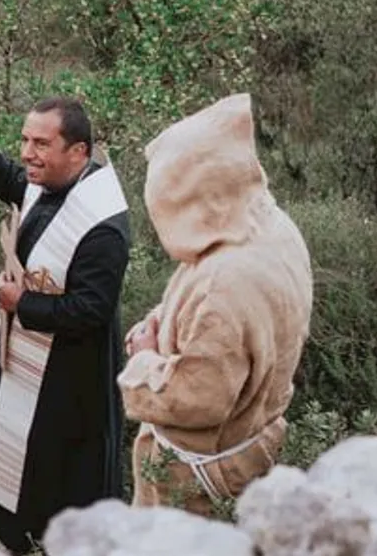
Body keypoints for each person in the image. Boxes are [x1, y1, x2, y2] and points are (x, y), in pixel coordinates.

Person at [0, 98, 132, 556]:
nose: (28, 153)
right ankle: (11, 535)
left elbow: (91, 310)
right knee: (21, 450)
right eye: (25, 140)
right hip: (31, 358)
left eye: (41, 143)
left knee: (59, 469)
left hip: (74, 376)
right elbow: (16, 183)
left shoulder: (102, 225)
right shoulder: (53, 180)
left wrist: (22, 302)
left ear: (78, 152)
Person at [118, 93, 313, 516]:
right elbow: (211, 305)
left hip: (200, 483)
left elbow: (198, 397)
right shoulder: (266, 227)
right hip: (252, 447)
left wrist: (146, 360)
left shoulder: (225, 283)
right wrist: (162, 319)